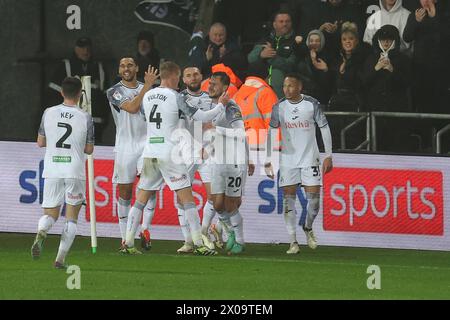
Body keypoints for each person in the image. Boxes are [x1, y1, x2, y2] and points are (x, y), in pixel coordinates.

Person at [121, 61, 226, 255]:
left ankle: (127, 243)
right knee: (187, 199)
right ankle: (198, 244)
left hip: (150, 151)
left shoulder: (146, 96)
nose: (179, 81)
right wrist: (220, 107)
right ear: (172, 76)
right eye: (178, 77)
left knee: (140, 199)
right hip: (170, 153)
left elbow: (147, 118)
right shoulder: (176, 97)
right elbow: (201, 116)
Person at [264, 74, 333, 254]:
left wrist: (328, 155)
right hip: (288, 160)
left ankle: (308, 227)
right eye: (285, 86)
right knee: (288, 200)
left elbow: (324, 127)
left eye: (290, 86)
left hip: (310, 158)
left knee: (314, 202)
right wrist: (269, 159)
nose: (286, 89)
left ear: (299, 87)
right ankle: (293, 241)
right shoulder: (279, 107)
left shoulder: (312, 104)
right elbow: (271, 132)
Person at [31, 77, 95, 268]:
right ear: (79, 93)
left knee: (50, 214)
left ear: (61, 92)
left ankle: (42, 231)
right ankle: (60, 259)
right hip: (74, 170)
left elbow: (40, 142)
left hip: (52, 169)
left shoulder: (48, 113)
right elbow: (89, 149)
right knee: (72, 217)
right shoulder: (85, 116)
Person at [106, 57, 159, 251]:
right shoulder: (114, 91)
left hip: (147, 145)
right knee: (125, 192)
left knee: (149, 188)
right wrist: (147, 86)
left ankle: (144, 228)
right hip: (125, 147)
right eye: (122, 65)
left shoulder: (152, 90)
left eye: (130, 65)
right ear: (119, 70)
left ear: (136, 68)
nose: (126, 68)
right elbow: (132, 107)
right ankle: (125, 239)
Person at [207, 72, 255, 254]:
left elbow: (241, 133)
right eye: (210, 83)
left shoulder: (231, 107)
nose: (210, 86)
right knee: (217, 204)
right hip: (218, 161)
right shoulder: (214, 107)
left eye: (215, 84)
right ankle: (229, 230)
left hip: (234, 161)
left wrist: (216, 129)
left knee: (230, 204)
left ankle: (239, 241)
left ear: (225, 88)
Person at [175, 66, 217, 253]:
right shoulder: (178, 99)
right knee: (181, 197)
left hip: (207, 153)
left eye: (196, 74)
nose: (193, 77)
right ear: (183, 79)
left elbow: (213, 123)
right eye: (189, 75)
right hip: (186, 153)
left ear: (202, 77)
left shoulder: (210, 97)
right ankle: (188, 241)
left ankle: (203, 231)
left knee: (215, 196)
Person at [46, 37, 109, 143]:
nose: (85, 51)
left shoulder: (99, 68)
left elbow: (106, 99)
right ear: (75, 49)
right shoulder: (66, 66)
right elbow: (52, 96)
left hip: (95, 125)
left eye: (88, 48)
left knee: (92, 156)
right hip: (69, 124)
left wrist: (103, 122)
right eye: (82, 48)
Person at [403, 0, 446, 113]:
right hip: (420, 68)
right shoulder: (415, 14)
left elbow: (445, 36)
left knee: (439, 103)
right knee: (422, 102)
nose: (425, 2)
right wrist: (416, 21)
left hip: (441, 69)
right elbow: (407, 37)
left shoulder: (444, 14)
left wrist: (434, 17)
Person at [248, 11, 298, 98]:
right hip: (261, 89)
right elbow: (250, 58)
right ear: (274, 24)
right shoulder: (265, 39)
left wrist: (273, 57)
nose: (285, 24)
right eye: (281, 21)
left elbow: (291, 65)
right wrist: (261, 55)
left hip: (284, 91)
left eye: (287, 21)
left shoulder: (296, 42)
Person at [233, 63, 279, 150]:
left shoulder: (235, 97)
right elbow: (274, 124)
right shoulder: (266, 93)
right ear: (266, 77)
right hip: (262, 148)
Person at [297, 29, 333, 104]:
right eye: (311, 41)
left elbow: (329, 83)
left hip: (321, 98)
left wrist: (325, 70)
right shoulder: (303, 56)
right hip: (304, 98)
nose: (314, 43)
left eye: (317, 41)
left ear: (321, 42)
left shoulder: (328, 57)